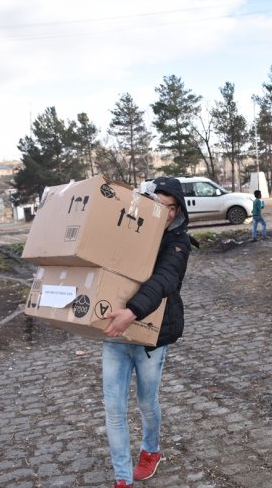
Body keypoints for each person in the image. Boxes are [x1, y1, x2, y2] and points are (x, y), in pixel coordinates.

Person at [102, 177, 192, 488]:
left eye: (168, 207)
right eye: (156, 204)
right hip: (115, 333)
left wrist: (132, 311)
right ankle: (122, 478)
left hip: (150, 336)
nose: (162, 212)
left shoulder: (178, 243)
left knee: (145, 401)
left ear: (176, 210)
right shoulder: (129, 229)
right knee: (114, 409)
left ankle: (151, 450)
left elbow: (164, 279)